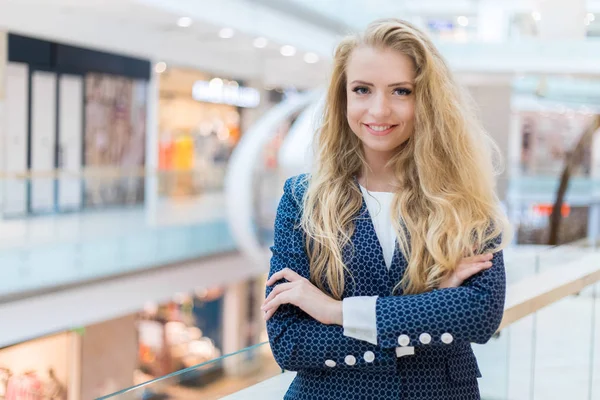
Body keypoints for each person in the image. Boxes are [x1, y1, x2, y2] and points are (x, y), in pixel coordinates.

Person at [261, 18, 512, 400]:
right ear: (343, 97)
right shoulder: (302, 199)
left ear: (426, 99)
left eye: (400, 91)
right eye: (362, 89)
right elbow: (290, 342)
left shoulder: (466, 202)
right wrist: (430, 308)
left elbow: (478, 314)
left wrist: (337, 312)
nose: (379, 110)